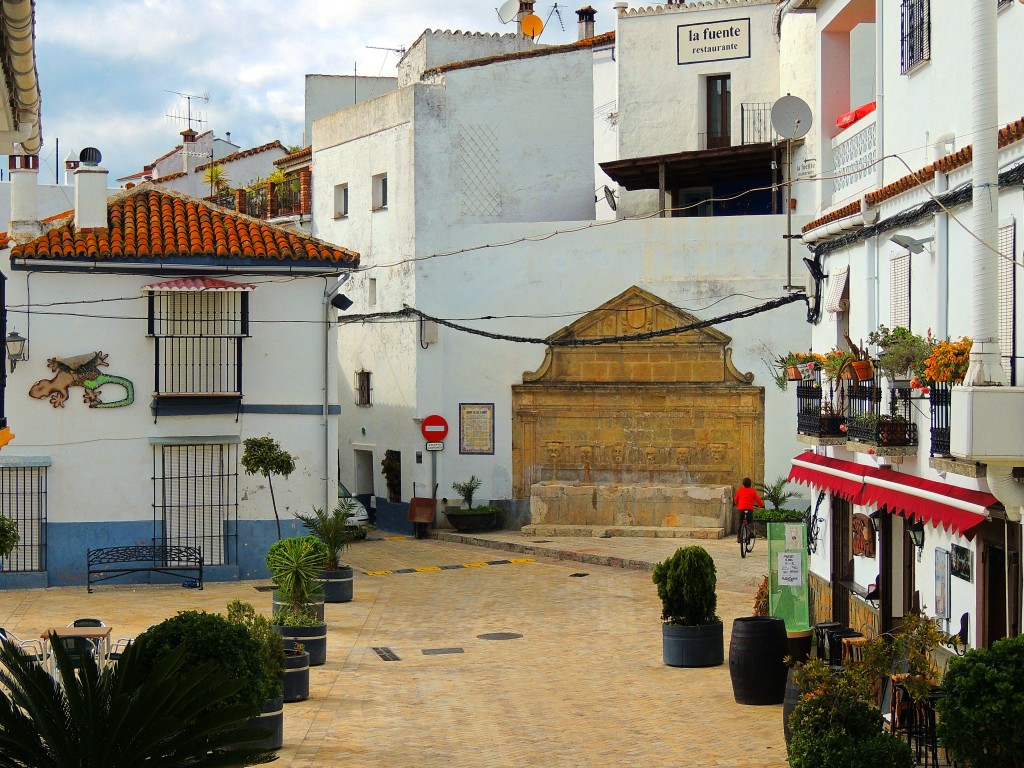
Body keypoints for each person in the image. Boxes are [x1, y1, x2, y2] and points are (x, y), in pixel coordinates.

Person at [734, 477, 764, 544]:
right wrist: (762, 505)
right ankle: (751, 532)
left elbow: (736, 499)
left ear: (743, 484)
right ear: (750, 484)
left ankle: (739, 537)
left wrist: (738, 505)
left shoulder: (740, 490)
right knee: (750, 521)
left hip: (741, 508)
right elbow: (757, 499)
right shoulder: (752, 491)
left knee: (740, 522)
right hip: (749, 509)